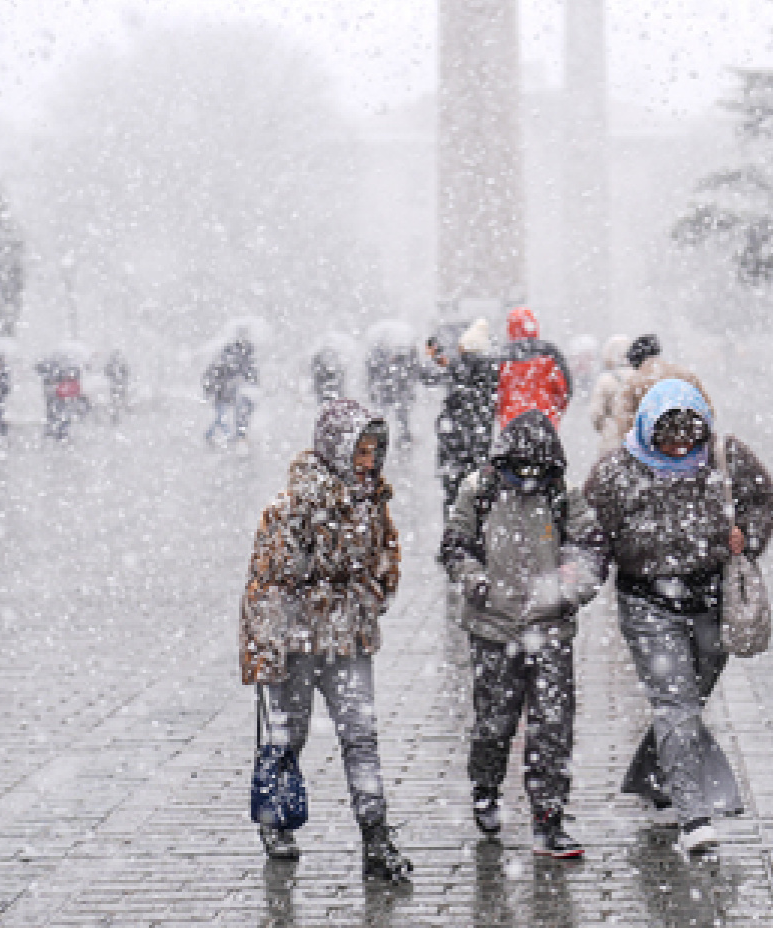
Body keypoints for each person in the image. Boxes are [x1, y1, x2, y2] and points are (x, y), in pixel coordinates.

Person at [584, 379, 773, 857]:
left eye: (688, 434)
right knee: (677, 707)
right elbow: (589, 532)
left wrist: (746, 539)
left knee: (689, 704)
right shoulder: (616, 471)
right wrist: (579, 582)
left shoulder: (724, 456)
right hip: (646, 603)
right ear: (648, 429)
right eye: (667, 435)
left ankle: (655, 778)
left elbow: (760, 500)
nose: (678, 445)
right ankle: (694, 819)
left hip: (710, 601)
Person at [239, 399, 413, 884]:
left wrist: (372, 593)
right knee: (285, 737)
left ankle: (375, 836)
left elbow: (387, 559)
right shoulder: (290, 507)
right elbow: (267, 583)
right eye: (360, 451)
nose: (367, 462)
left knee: (361, 736)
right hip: (295, 644)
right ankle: (275, 822)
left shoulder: (373, 503)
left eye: (374, 452)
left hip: (349, 641)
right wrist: (267, 653)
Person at [440, 409, 606, 858]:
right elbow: (455, 543)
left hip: (549, 627)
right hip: (493, 628)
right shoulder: (480, 490)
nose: (526, 478)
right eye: (518, 469)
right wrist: (474, 580)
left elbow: (592, 548)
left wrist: (570, 591)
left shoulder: (563, 496)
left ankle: (548, 819)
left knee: (553, 725)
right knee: (494, 722)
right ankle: (486, 785)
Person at [425, 318, 500, 510]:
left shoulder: (459, 367)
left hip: (454, 448)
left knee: (453, 496)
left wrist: (434, 353)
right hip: (479, 445)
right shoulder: (493, 370)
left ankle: (453, 528)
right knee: (477, 492)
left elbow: (429, 375)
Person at [497, 307, 573, 429]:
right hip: (545, 421)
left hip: (511, 423)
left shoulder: (502, 358)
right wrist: (555, 413)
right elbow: (564, 390)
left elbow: (496, 395)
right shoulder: (550, 353)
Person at [617, 334, 712, 426]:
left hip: (656, 438)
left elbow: (624, 421)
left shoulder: (633, 382)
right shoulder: (684, 373)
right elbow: (708, 408)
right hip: (689, 434)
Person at [204, 330, 259, 448]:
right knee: (224, 417)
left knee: (223, 417)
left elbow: (212, 376)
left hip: (226, 393)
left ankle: (227, 437)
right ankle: (229, 437)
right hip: (225, 393)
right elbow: (249, 375)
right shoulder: (234, 360)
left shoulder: (229, 358)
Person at [587, 334, 634, 455]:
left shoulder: (605, 380)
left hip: (612, 441)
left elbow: (596, 414)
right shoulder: (641, 377)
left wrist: (605, 428)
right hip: (636, 442)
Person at [365, 340, 418, 447]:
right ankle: (400, 436)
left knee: (397, 414)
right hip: (392, 390)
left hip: (393, 390)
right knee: (396, 413)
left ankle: (399, 435)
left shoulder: (402, 353)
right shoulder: (382, 354)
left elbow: (412, 371)